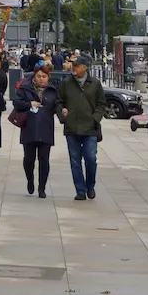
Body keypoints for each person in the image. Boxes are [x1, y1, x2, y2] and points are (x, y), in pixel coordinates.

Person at [57, 55, 105, 201]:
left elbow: (101, 104)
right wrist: (62, 114)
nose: (73, 67)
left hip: (90, 128)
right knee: (75, 160)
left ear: (85, 67)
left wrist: (95, 118)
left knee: (91, 158)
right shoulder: (66, 83)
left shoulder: (95, 84)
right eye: (73, 65)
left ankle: (90, 186)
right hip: (72, 127)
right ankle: (80, 190)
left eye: (77, 65)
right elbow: (59, 102)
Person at [13, 61, 63, 198]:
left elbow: (57, 106)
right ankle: (30, 180)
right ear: (34, 76)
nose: (41, 79)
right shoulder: (25, 88)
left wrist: (62, 112)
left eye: (44, 76)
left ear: (48, 77)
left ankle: (42, 187)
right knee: (29, 159)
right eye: (39, 76)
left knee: (44, 159)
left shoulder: (53, 90)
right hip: (29, 127)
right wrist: (29, 104)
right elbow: (16, 102)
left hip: (45, 128)